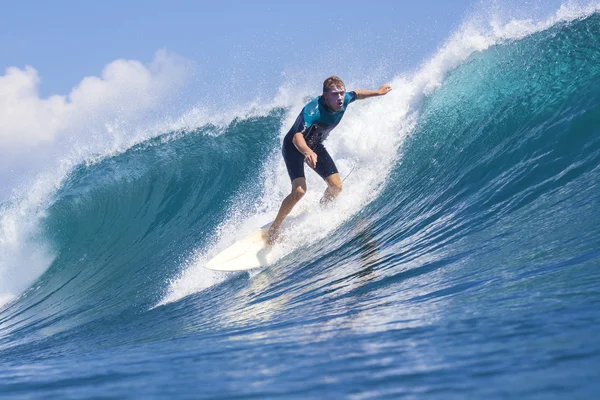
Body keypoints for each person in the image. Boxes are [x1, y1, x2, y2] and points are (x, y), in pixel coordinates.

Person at [267, 75, 392, 245]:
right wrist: (307, 152)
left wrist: (378, 92)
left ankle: (322, 210)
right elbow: (297, 137)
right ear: (325, 96)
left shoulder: (344, 99)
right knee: (299, 191)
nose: (340, 97)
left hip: (315, 145)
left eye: (341, 93)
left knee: (336, 187)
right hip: (294, 148)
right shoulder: (312, 110)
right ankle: (273, 229)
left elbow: (356, 94)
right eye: (335, 94)